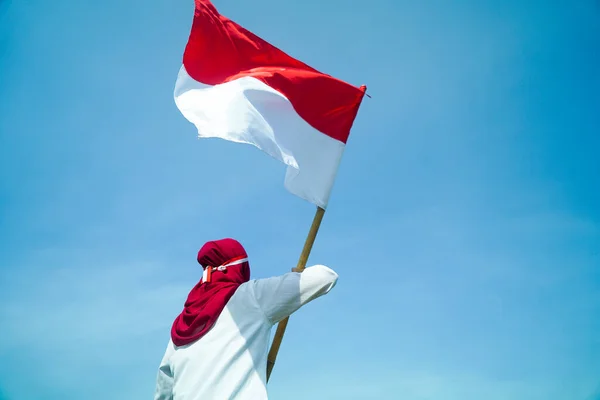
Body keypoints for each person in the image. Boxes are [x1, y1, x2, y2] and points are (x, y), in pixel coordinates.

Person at [154, 238, 338, 400]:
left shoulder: (180, 326)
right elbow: (326, 277)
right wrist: (297, 277)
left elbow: (163, 392)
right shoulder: (251, 297)